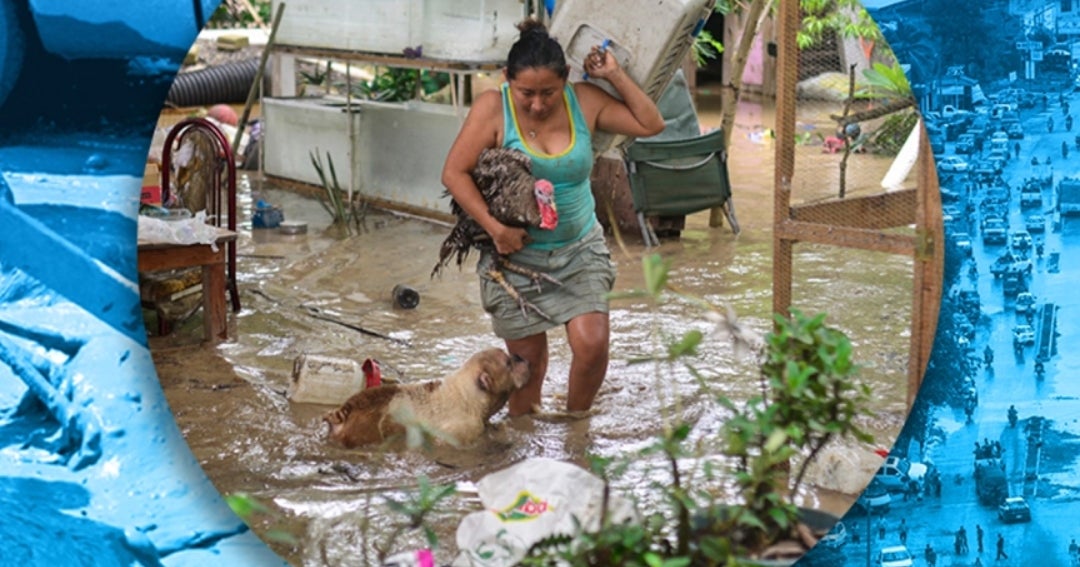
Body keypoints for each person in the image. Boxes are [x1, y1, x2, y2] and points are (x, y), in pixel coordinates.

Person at [441, 19, 664, 416]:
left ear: (566, 78)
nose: (539, 104)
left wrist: (614, 74)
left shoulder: (585, 100)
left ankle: (576, 428)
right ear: (508, 78)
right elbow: (454, 173)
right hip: (515, 263)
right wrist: (496, 231)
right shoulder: (493, 108)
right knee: (530, 373)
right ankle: (527, 455)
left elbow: (651, 123)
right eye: (527, 92)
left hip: (580, 250)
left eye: (549, 92)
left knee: (592, 346)